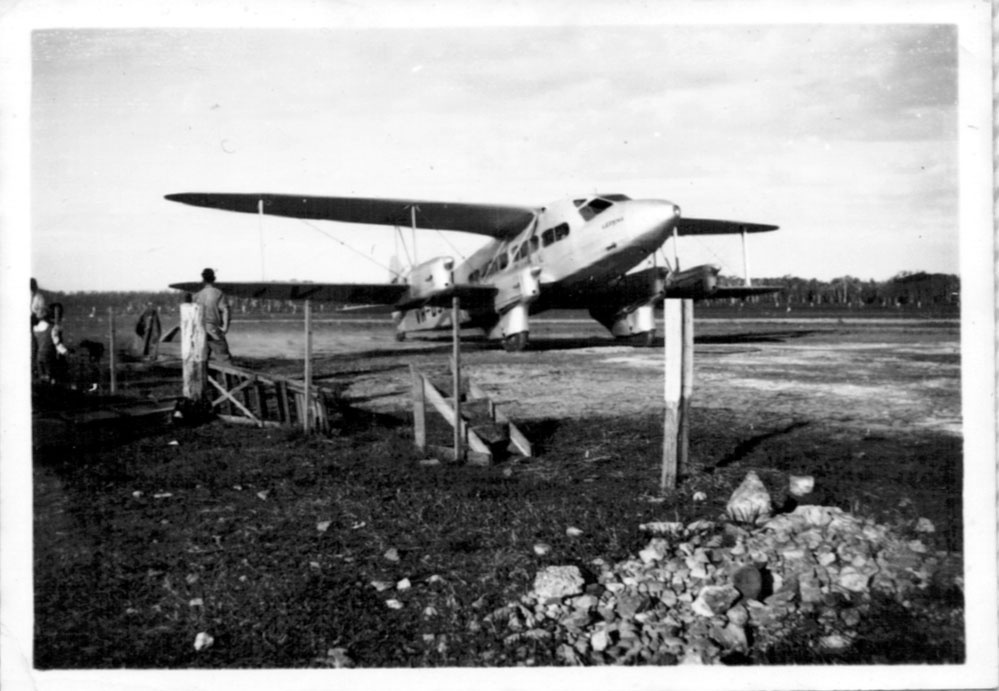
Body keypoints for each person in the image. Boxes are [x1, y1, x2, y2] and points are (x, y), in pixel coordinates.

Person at [193, 268, 232, 362]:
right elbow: (226, 310)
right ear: (214, 278)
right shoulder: (218, 293)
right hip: (213, 330)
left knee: (201, 360)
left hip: (200, 330)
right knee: (224, 359)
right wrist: (225, 327)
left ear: (203, 279)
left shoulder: (197, 295)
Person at [30, 278, 47, 378]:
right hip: (27, 324)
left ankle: (35, 369)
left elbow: (41, 311)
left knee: (35, 348)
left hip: (36, 325)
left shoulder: (39, 298)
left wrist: (35, 317)